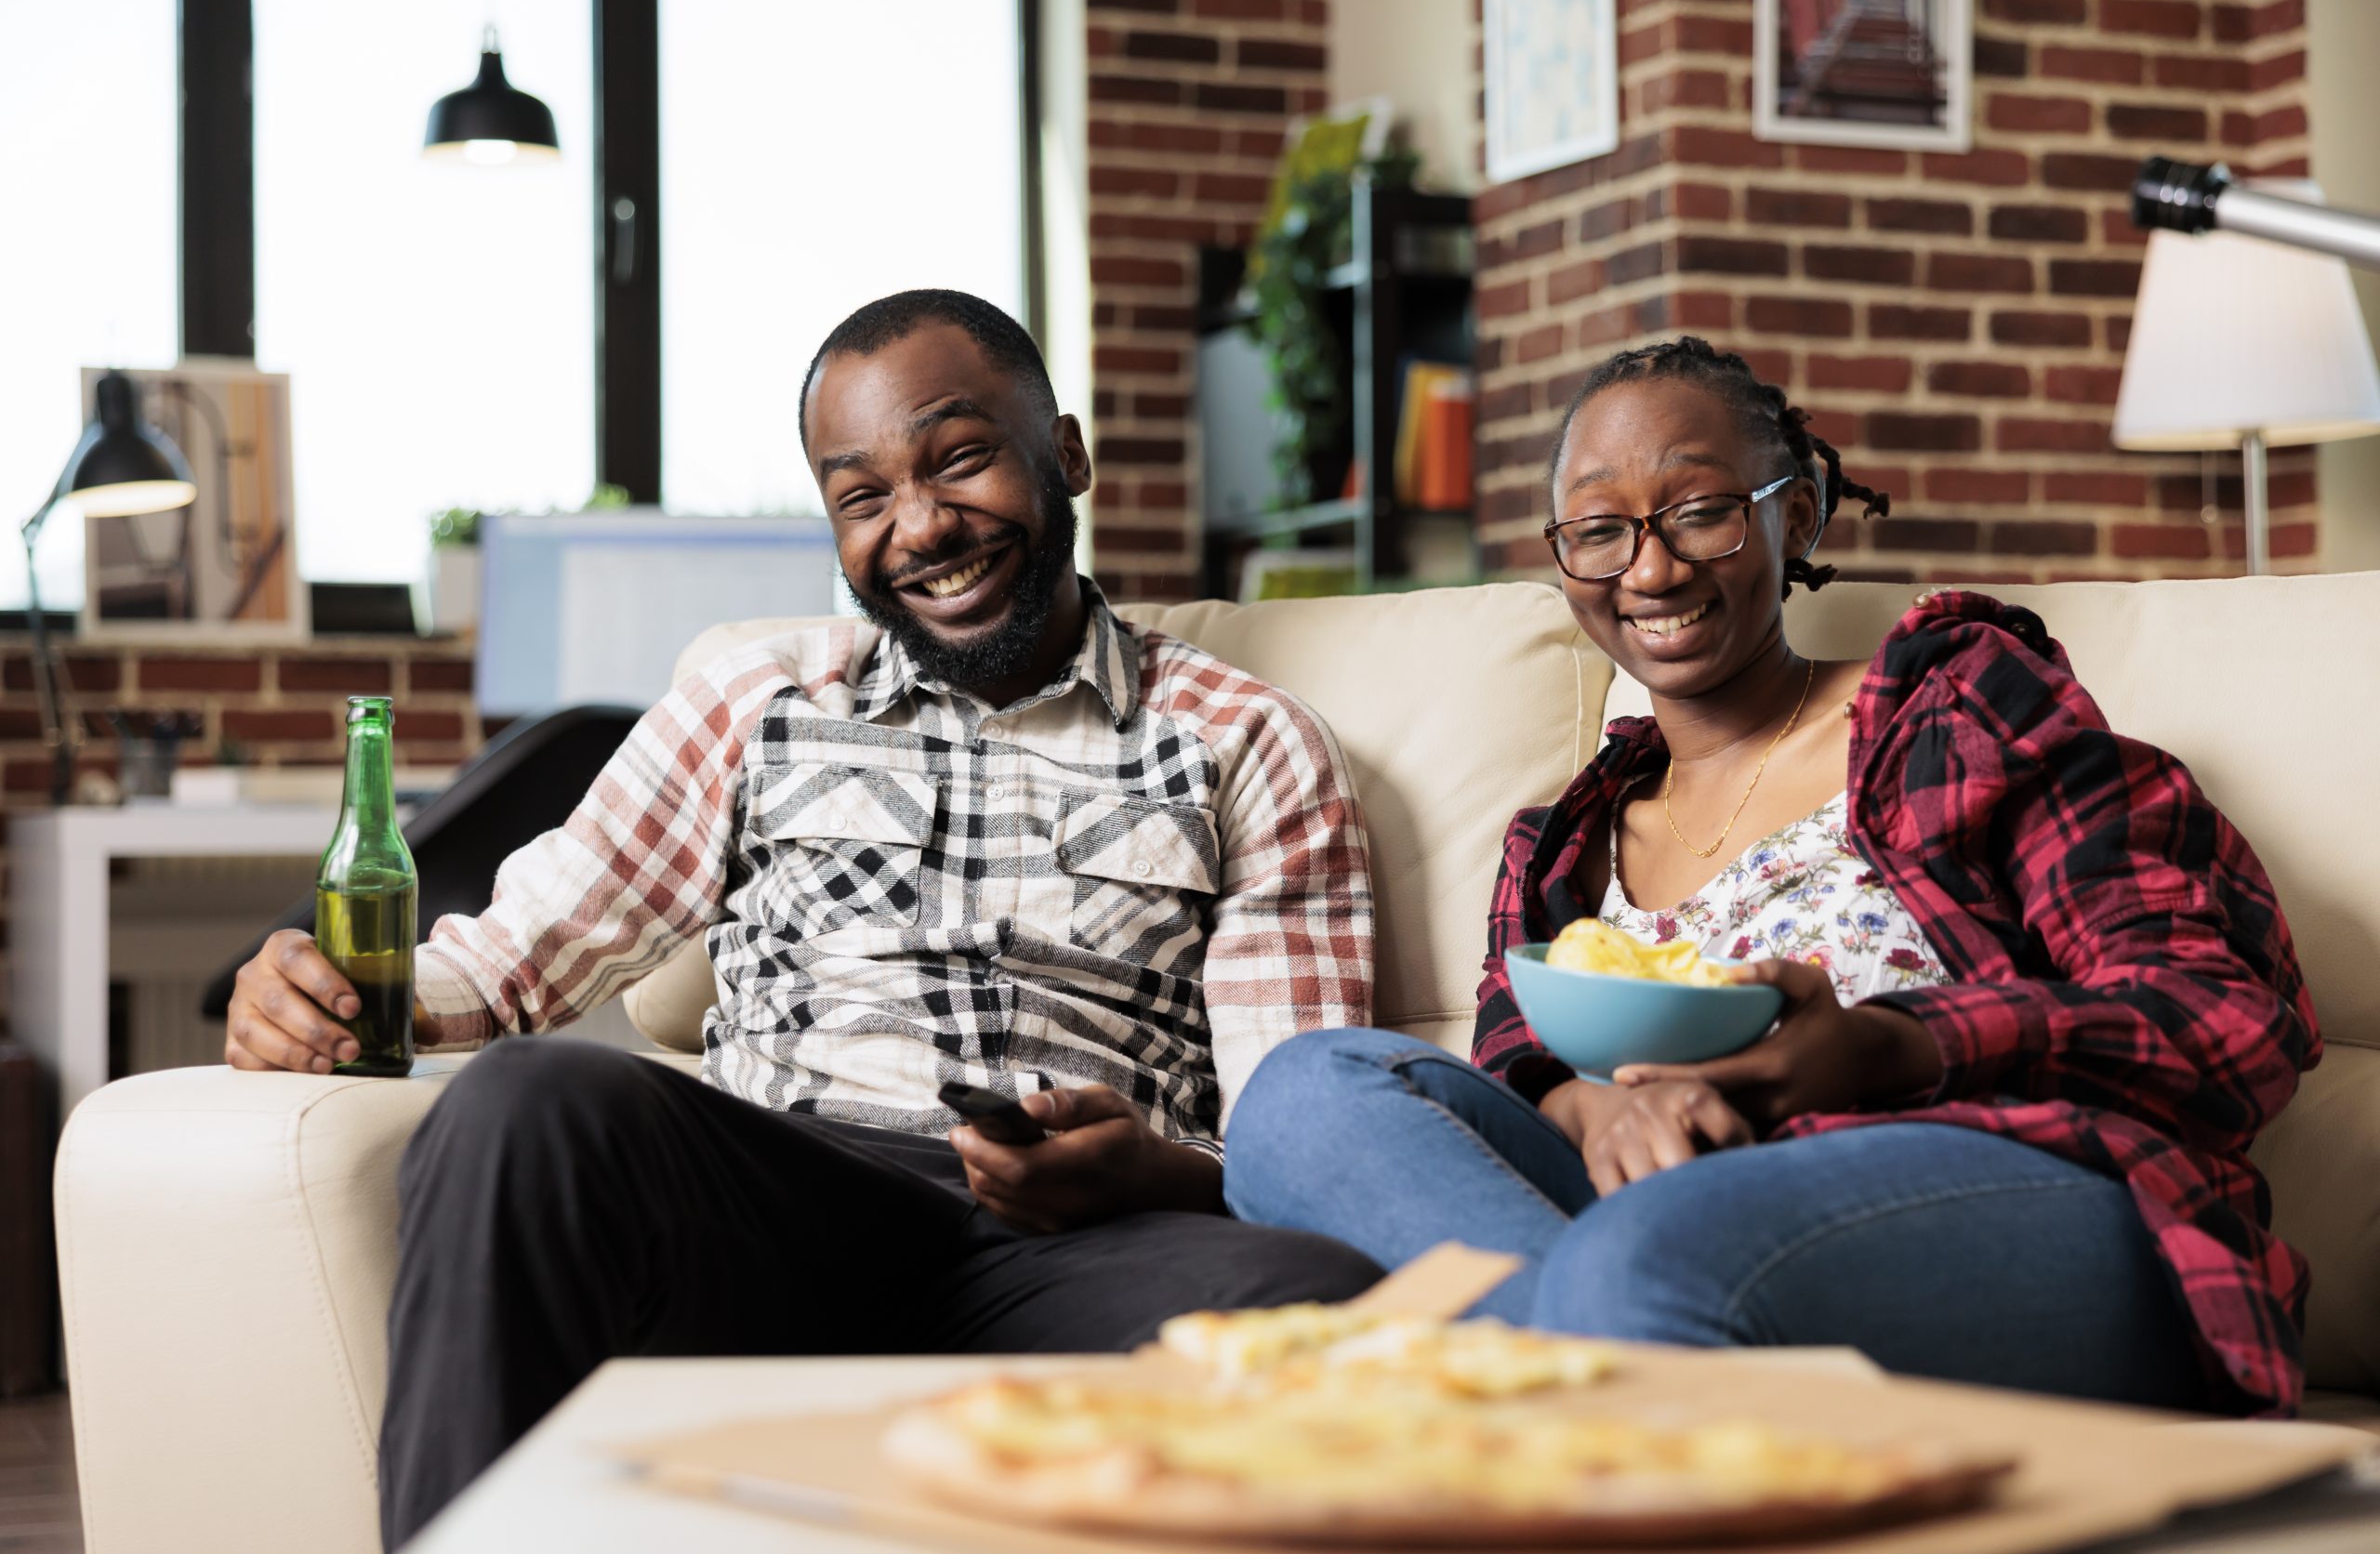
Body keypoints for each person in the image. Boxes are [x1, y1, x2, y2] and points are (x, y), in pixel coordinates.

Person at [223, 289, 1382, 1547]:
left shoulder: (1243, 740)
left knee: (1310, 1290)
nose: (922, 525)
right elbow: (506, 963)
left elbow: (1297, 1129)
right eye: (864, 496)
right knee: (524, 1098)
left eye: (961, 458)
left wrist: (1157, 1170)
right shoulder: (758, 696)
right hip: (784, 1205)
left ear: (1068, 452)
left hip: (1081, 1244)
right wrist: (332, 994)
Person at [1223, 336, 2319, 1417]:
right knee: (1306, 1097)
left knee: (1646, 1254)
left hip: (2002, 1186)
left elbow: (2223, 1020)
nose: (1649, 570)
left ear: (1790, 515)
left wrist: (1892, 1045)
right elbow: (1516, 1062)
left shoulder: (1958, 708)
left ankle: (1574, 1384)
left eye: (1697, 511)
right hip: (1658, 1217)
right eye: (1598, 532)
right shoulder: (1559, 846)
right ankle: (1638, 1396)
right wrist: (1584, 1114)